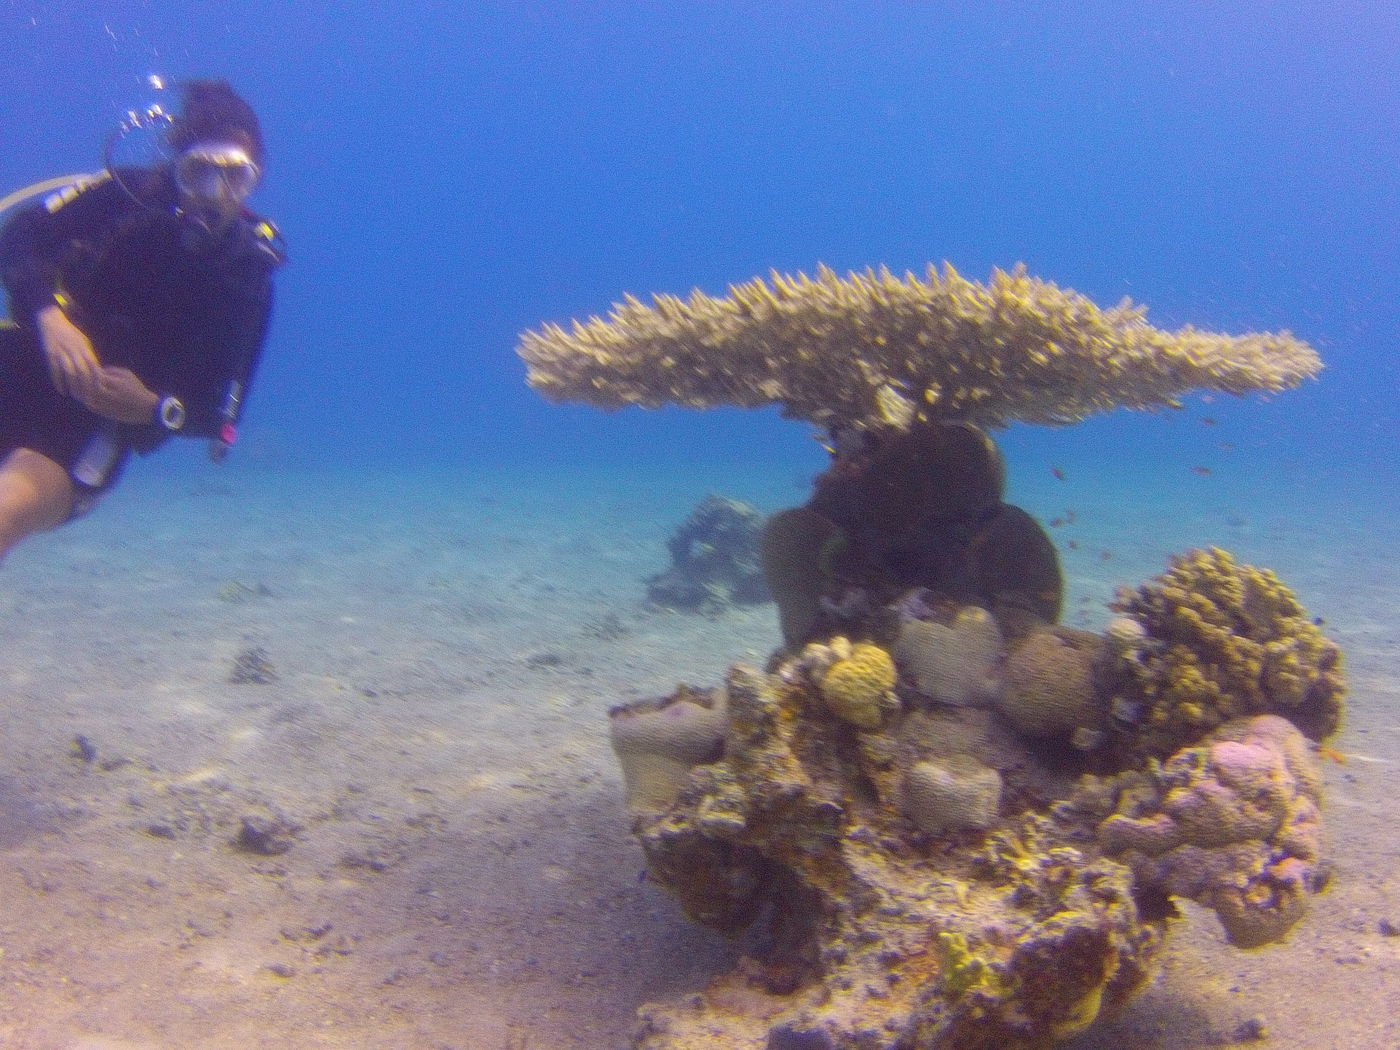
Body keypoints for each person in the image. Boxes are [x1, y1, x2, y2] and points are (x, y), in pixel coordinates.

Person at [0, 79, 283, 563]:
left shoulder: (245, 276)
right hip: (21, 364)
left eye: (236, 177)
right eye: (199, 172)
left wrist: (156, 408)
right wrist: (48, 316)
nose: (214, 196)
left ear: (255, 180)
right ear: (176, 167)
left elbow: (219, 417)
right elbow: (17, 237)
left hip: (85, 434)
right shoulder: (124, 196)